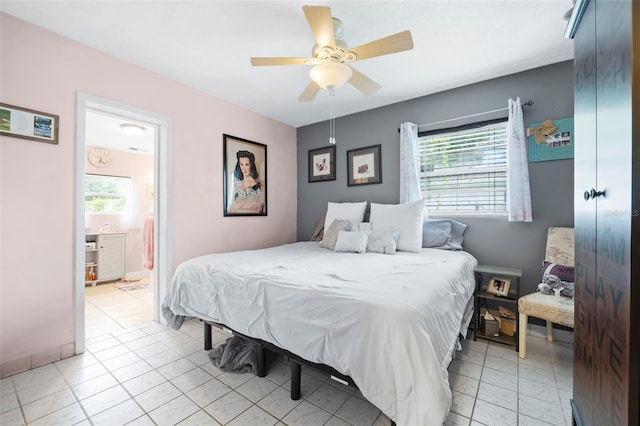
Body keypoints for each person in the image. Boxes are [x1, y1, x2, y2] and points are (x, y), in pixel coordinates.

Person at [228, 150, 265, 214]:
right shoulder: (236, 184)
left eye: (246, 164)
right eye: (241, 164)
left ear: (251, 165)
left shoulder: (258, 189)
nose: (244, 168)